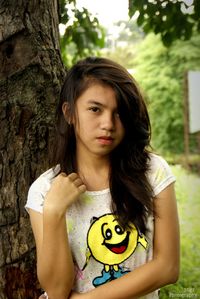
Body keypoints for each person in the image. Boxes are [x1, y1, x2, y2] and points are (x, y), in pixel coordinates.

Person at [25, 57, 180, 299]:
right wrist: (53, 212)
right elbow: (56, 290)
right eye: (95, 109)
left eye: (118, 113)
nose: (108, 124)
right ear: (69, 113)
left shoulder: (152, 172)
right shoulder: (44, 190)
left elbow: (168, 268)